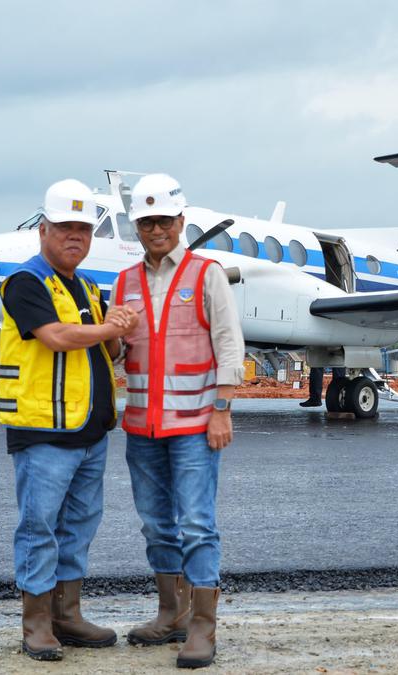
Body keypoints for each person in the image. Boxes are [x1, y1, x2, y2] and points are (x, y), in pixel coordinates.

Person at [0, 178, 140, 662]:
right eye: (65, 228)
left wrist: (120, 329)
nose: (75, 237)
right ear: (43, 230)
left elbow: (110, 350)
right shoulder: (26, 283)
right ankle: (36, 622)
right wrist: (107, 326)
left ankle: (68, 614)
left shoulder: (84, 286)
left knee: (79, 524)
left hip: (89, 431)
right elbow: (56, 336)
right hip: (43, 431)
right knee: (40, 526)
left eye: (83, 229)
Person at [113, 173, 245, 669]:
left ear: (180, 221)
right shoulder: (124, 282)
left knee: (196, 524)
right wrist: (110, 334)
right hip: (143, 426)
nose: (155, 229)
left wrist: (222, 409)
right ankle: (171, 613)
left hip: (195, 425)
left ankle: (203, 628)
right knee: (155, 525)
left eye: (163, 220)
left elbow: (230, 344)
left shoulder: (205, 273)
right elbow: (115, 349)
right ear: (137, 227)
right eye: (146, 222)